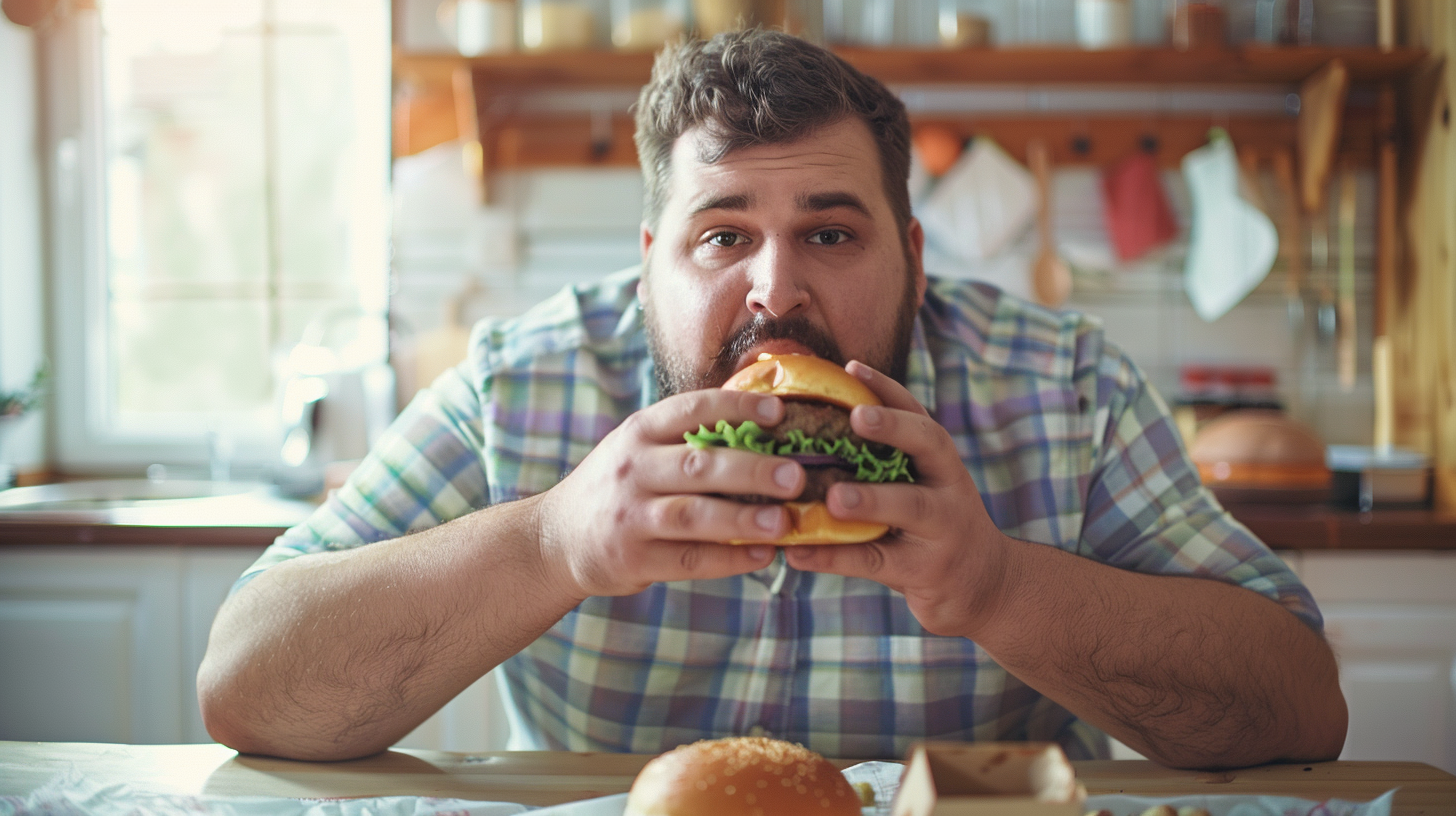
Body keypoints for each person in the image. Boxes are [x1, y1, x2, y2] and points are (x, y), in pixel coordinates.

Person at [197, 29, 1347, 769]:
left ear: (911, 254)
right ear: (650, 258)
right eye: (722, 235)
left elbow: (1299, 707)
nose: (776, 292)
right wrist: (554, 540)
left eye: (830, 234)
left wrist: (998, 584)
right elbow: (245, 685)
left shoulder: (1063, 387)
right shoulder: (527, 381)